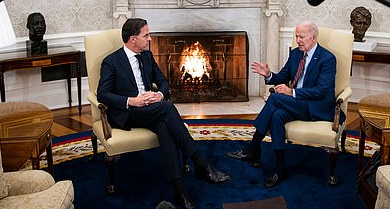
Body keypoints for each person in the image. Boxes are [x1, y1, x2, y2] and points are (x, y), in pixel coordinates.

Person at [97, 18, 229, 209]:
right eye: (146, 35)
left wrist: (158, 94)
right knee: (167, 109)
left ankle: (179, 190)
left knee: (164, 127)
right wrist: (132, 101)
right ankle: (201, 164)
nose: (150, 39)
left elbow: (163, 81)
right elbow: (103, 93)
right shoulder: (111, 61)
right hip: (128, 112)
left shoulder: (147, 56)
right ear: (133, 39)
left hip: (152, 109)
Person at [227, 21, 338, 188]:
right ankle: (280, 169)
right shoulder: (295, 54)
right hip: (296, 104)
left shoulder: (327, 58)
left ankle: (251, 147)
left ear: (314, 37)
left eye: (302, 37)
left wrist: (291, 92)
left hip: (315, 107)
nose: (298, 40)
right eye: (296, 36)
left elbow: (321, 91)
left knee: (275, 98)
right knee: (277, 116)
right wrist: (269, 75)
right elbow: (282, 77)